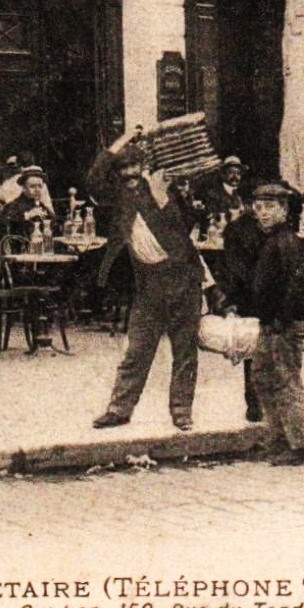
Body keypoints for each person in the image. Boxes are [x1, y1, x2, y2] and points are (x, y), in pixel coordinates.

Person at [88, 130, 205, 431]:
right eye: (123, 169)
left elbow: (186, 227)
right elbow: (94, 179)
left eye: (134, 168)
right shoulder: (121, 197)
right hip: (148, 283)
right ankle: (119, 409)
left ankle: (181, 411)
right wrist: (121, 141)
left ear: (145, 169)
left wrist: (162, 197)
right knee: (137, 350)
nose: (129, 174)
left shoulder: (167, 191)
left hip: (182, 280)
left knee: (184, 351)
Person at [239, 182, 304, 466]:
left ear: (284, 210)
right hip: (271, 323)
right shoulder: (273, 240)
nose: (263, 213)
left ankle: (301, 445)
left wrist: (281, 320)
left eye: (270, 207)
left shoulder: (288, 243)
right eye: (258, 208)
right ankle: (277, 439)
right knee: (262, 377)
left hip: (282, 324)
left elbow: (298, 285)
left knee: (285, 382)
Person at [216, 194, 266, 423]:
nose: (261, 209)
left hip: (261, 297)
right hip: (255, 297)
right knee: (258, 350)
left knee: (263, 351)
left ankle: (261, 404)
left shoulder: (273, 229)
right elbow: (233, 269)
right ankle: (257, 403)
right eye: (256, 203)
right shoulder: (239, 230)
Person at [1, 166, 55, 239]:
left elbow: (53, 223)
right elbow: (6, 220)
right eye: (32, 186)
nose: (37, 190)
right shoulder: (13, 205)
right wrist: (28, 215)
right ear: (24, 188)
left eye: (40, 186)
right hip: (21, 247)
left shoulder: (41, 206)